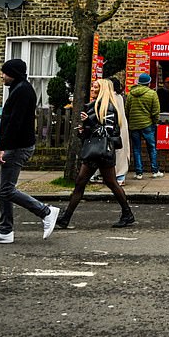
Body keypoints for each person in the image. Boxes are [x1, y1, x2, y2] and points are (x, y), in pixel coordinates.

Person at [0, 59, 60, 244]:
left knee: (6, 189)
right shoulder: (20, 88)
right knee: (2, 189)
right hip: (16, 145)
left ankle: (45, 211)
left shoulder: (22, 91)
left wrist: (2, 147)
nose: (2, 76)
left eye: (4, 73)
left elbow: (14, 123)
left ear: (13, 73)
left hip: (17, 146)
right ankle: (5, 230)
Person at [57, 79, 135, 229]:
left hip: (102, 152)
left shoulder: (109, 108)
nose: (92, 88)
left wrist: (90, 124)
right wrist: (83, 131)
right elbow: (93, 132)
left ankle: (66, 218)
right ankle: (66, 218)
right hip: (95, 151)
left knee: (100, 183)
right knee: (89, 183)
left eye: (95, 87)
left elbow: (108, 132)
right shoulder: (94, 106)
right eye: (92, 86)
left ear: (103, 90)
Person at [90, 77, 130, 186]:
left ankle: (112, 176)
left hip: (112, 129)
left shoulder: (109, 98)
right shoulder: (120, 98)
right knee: (120, 153)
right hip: (121, 128)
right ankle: (119, 176)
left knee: (110, 153)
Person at [126, 73, 163, 179]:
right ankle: (155, 171)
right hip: (147, 124)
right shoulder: (152, 94)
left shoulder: (130, 94)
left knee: (136, 149)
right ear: (149, 83)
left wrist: (131, 121)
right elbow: (156, 111)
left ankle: (139, 173)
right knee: (151, 148)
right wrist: (155, 122)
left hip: (134, 125)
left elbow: (127, 110)